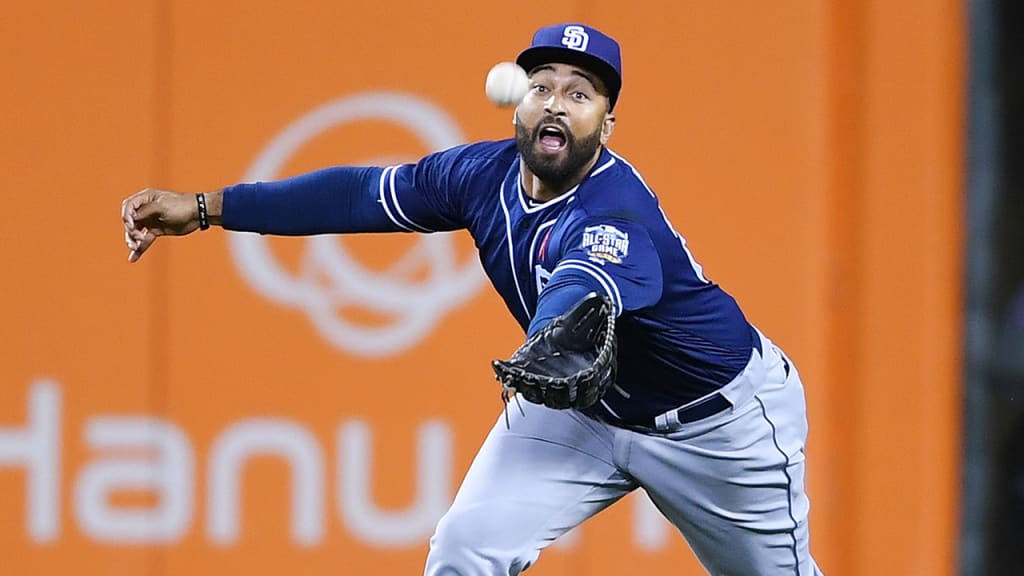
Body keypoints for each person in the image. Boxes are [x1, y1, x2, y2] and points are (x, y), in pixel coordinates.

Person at [121, 23, 822, 575]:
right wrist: (211, 208)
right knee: (465, 550)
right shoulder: (478, 175)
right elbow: (359, 194)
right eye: (542, 84)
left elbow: (581, 292)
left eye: (581, 93)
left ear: (606, 127)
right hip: (582, 413)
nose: (556, 101)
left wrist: (546, 339)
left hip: (716, 427)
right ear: (519, 101)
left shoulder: (617, 212)